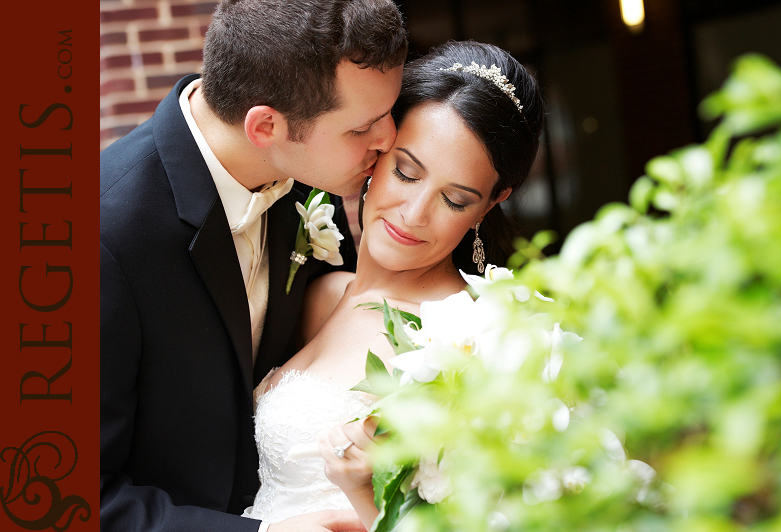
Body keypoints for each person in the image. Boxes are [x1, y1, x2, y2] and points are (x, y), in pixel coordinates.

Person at [99, 0, 406, 531]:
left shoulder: (310, 172)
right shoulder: (101, 235)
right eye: (364, 127)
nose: (389, 139)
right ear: (266, 126)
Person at [242, 40, 545, 529]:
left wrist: (366, 496)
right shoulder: (319, 294)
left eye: (455, 199)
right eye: (406, 172)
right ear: (377, 148)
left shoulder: (467, 341)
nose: (413, 213)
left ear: (489, 205)